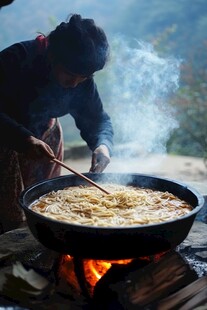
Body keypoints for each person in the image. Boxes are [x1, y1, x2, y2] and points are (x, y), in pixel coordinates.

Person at [0, 13, 114, 233]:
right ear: (52, 56)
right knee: (9, 217)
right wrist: (24, 139)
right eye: (70, 75)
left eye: (84, 77)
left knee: (45, 202)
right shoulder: (15, 59)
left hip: (45, 134)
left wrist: (102, 145)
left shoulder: (81, 78)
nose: (75, 84)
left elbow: (98, 119)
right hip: (5, 140)